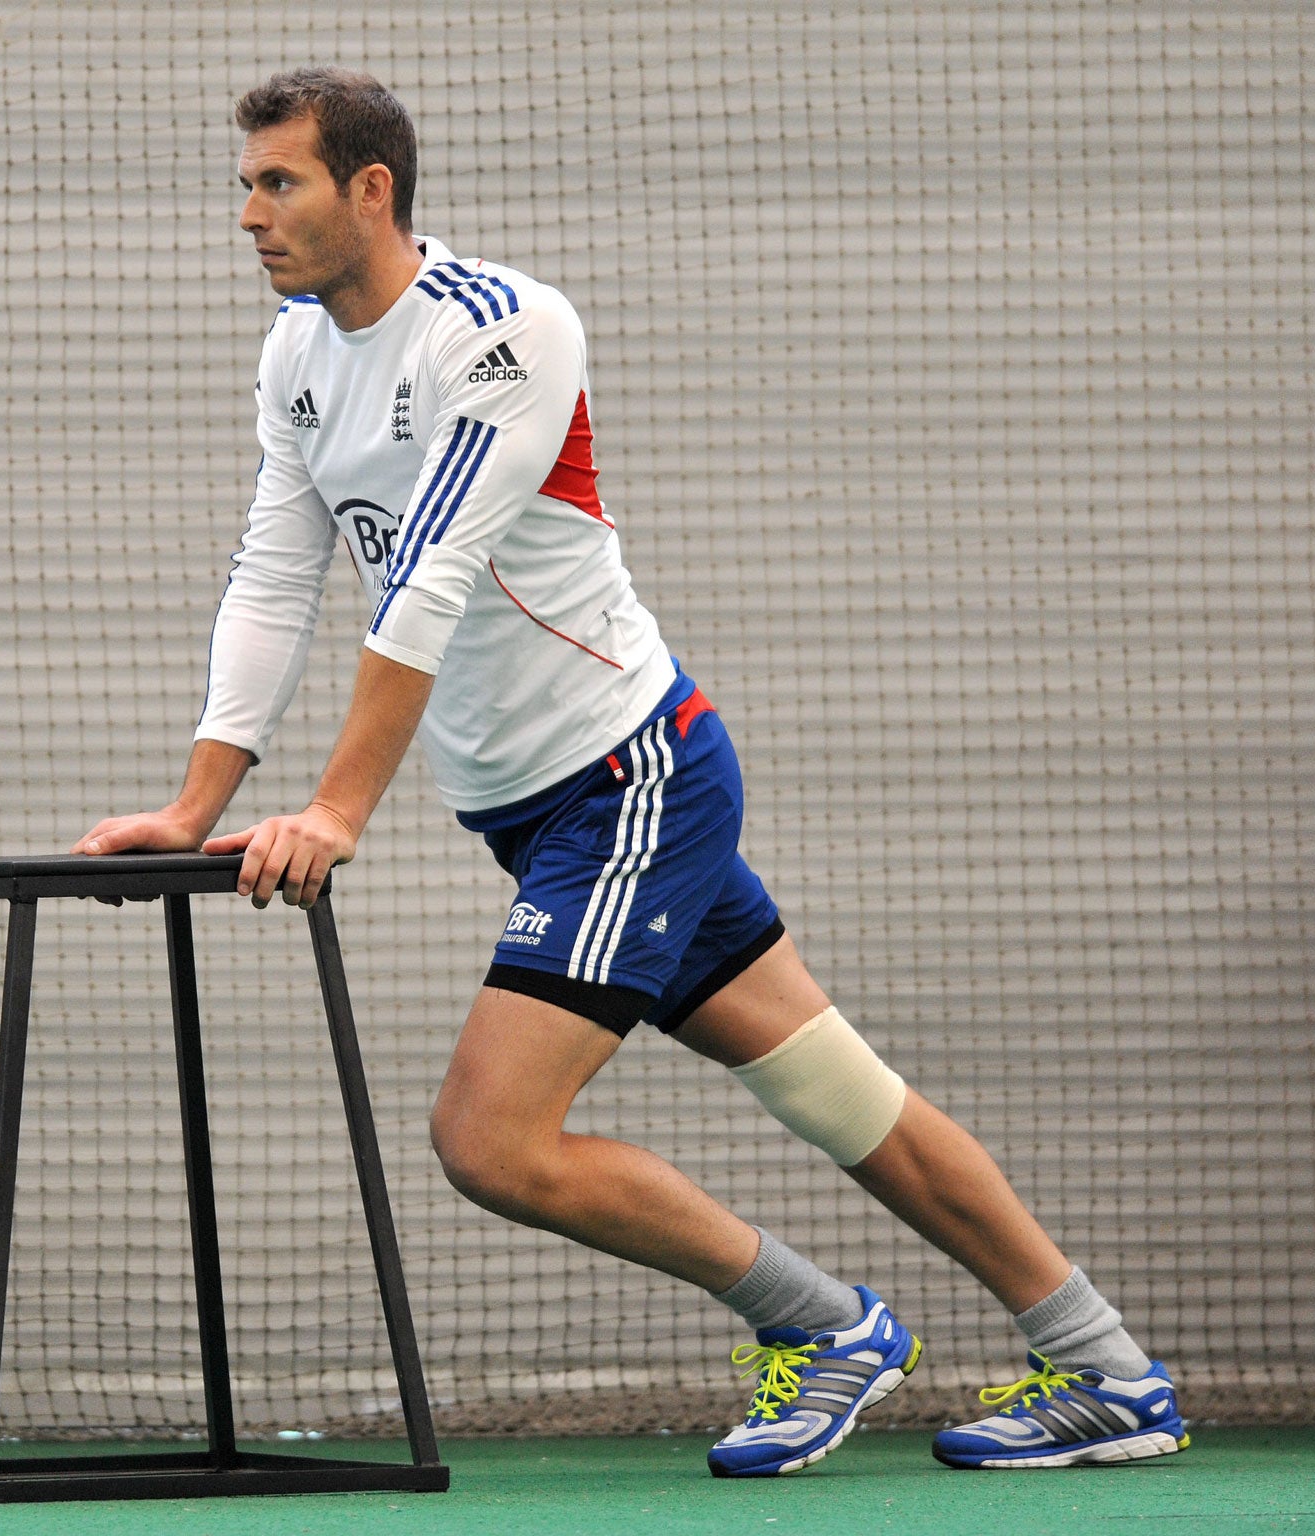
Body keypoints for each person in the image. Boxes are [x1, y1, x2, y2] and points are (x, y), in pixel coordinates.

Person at [73, 65, 1188, 1475]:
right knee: (844, 1099)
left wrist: (337, 808)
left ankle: (826, 1326)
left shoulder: (504, 331)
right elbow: (275, 572)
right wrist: (196, 806)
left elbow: (426, 578)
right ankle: (1110, 1371)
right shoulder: (298, 356)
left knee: (491, 1138)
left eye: (276, 182)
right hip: (537, 808)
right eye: (242, 184)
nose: (247, 215)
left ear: (372, 189)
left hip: (630, 779)